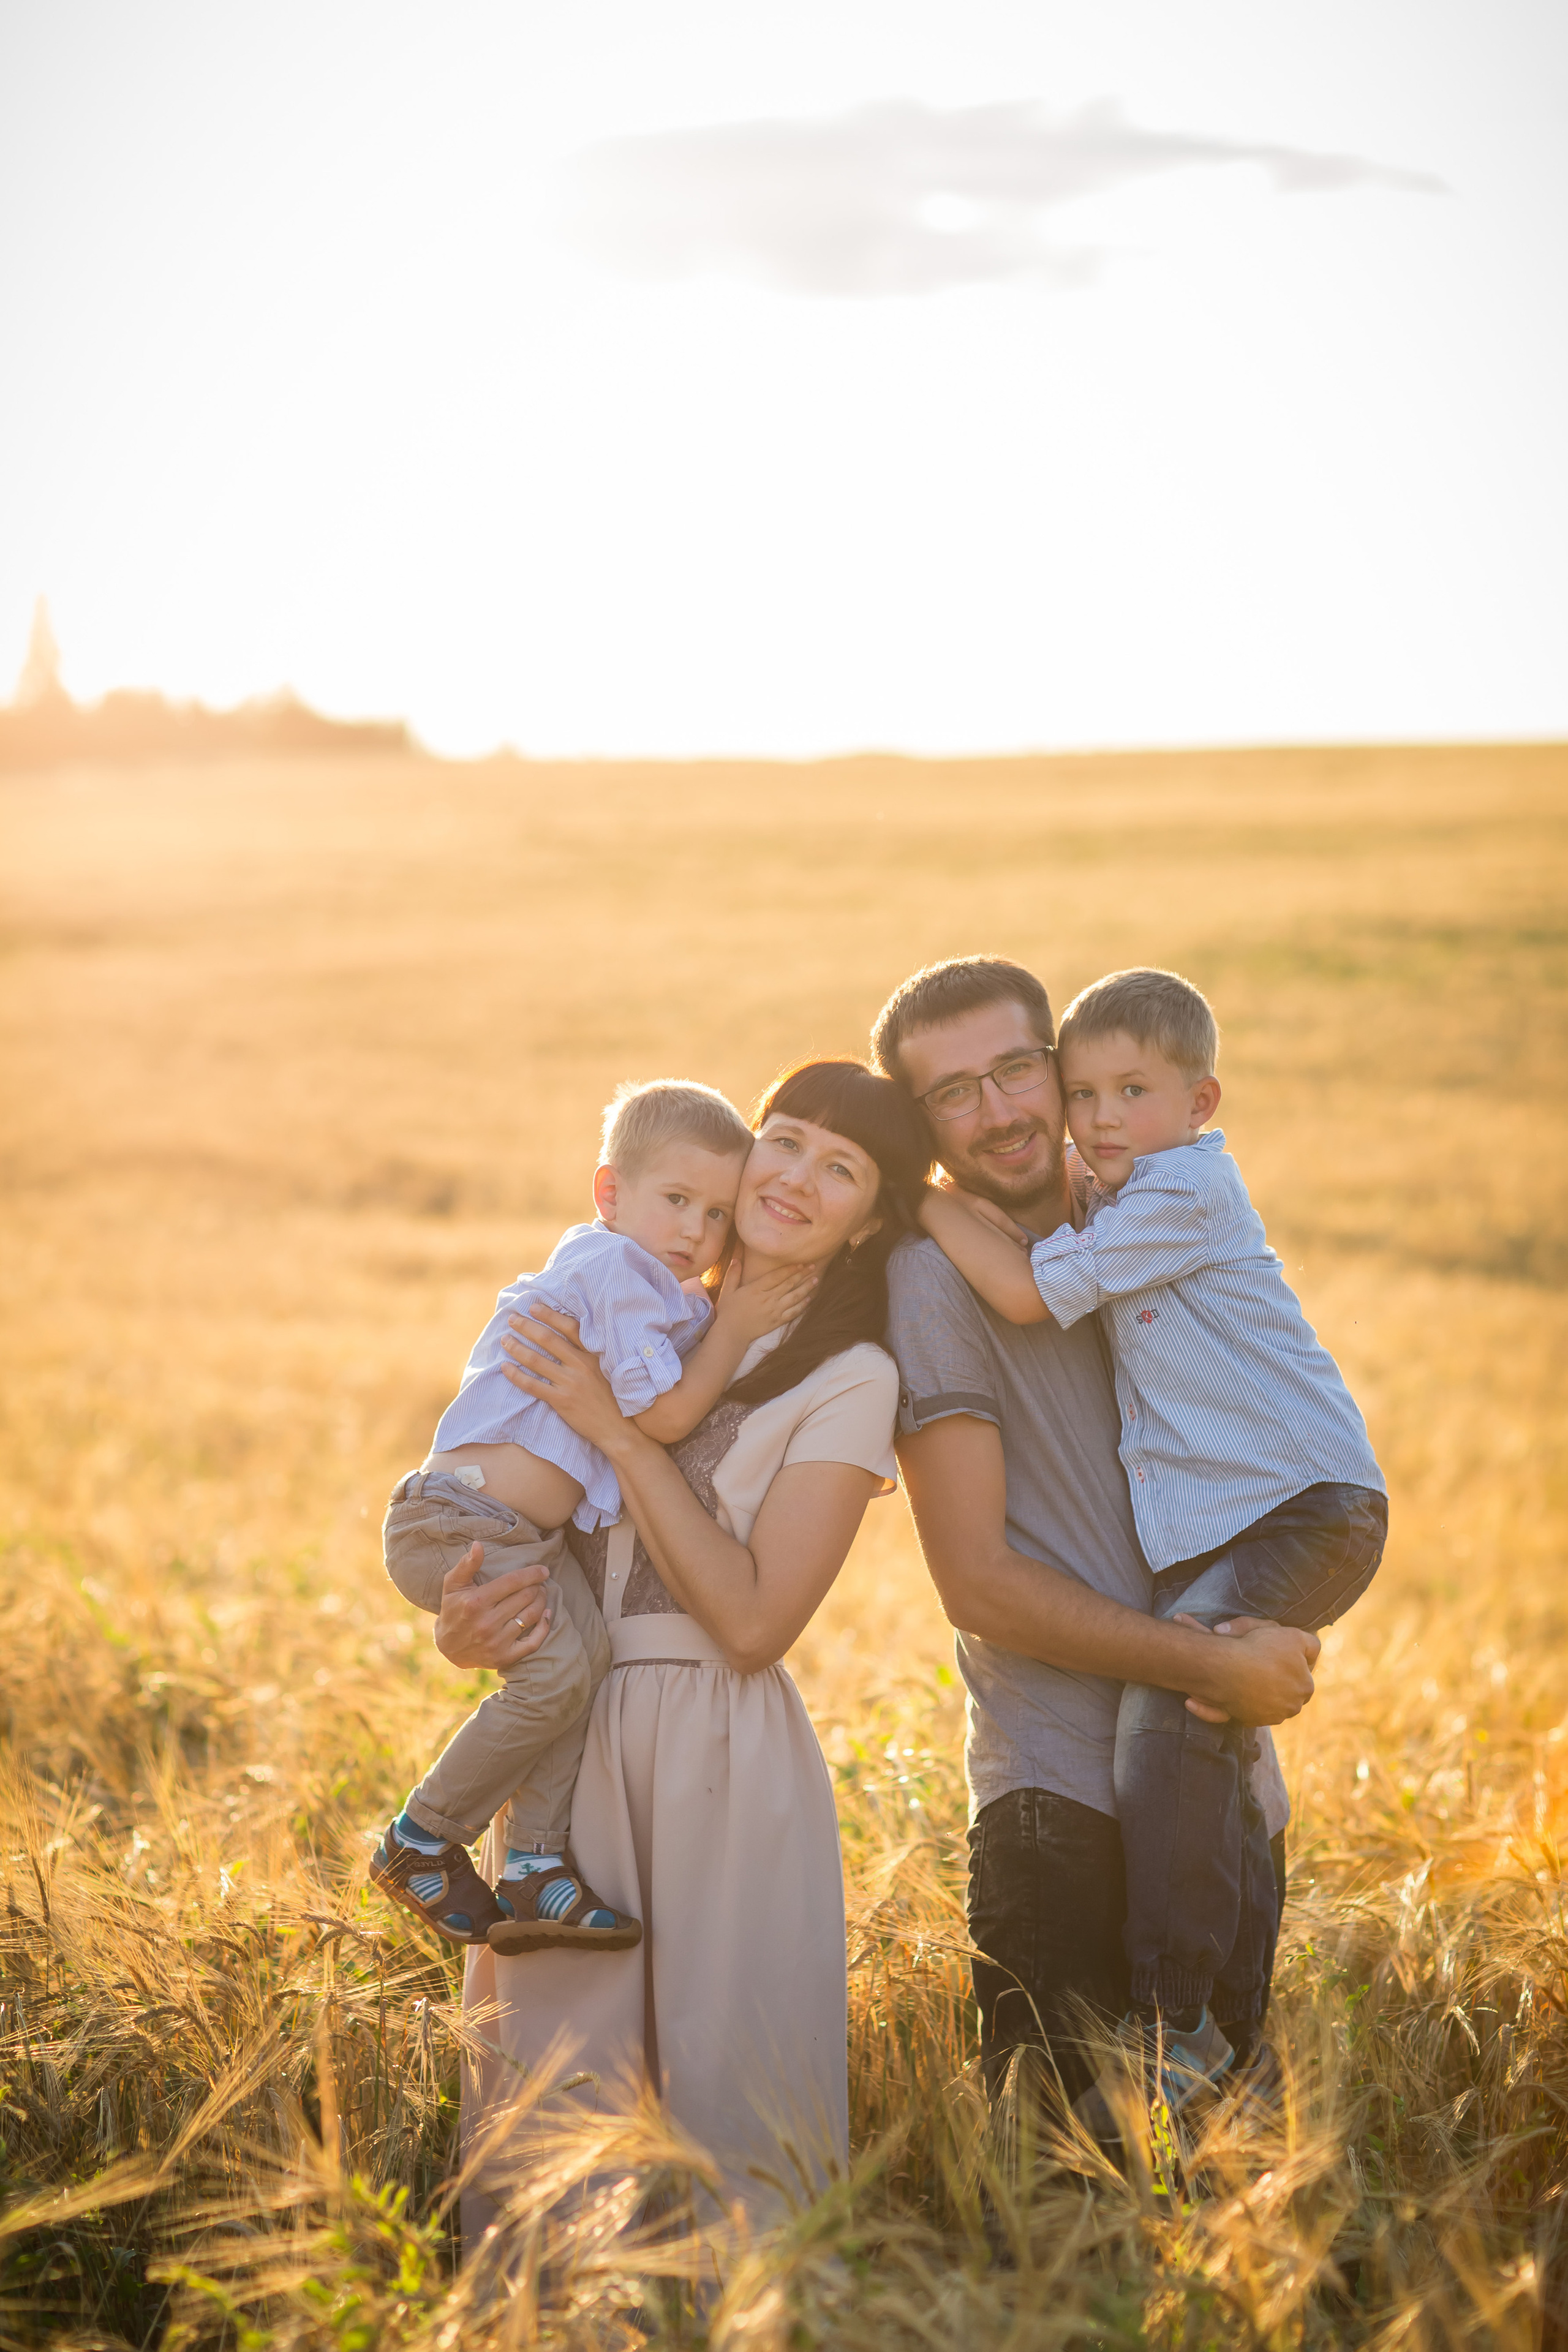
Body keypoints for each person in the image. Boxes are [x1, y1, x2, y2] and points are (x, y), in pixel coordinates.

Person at [447, 1059, 932, 2231]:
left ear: (871, 1220)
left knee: (732, 2130)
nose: (800, 1178)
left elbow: (758, 1622)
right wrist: (467, 1626)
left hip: (716, 1750)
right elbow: (508, 1500)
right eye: (788, 1140)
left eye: (844, 1168)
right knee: (547, 2128)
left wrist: (618, 1434)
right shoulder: (634, 1304)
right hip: (565, 1747)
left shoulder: (854, 1380)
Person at [916, 966, 1385, 2121]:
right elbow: (978, 1580)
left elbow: (1045, 1293)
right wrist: (1217, 1664)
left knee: (1217, 2185)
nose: (1011, 1110)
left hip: (1225, 1781)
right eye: (952, 1094)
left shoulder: (1141, 1202)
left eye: (1020, 1071)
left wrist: (1230, 1667)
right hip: (1062, 1800)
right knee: (1069, 2209)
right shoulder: (935, 1277)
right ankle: (1173, 2023)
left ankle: (1178, 2027)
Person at [368, 1079, 813, 1956]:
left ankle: (535, 1863)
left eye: (719, 1214)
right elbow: (660, 1419)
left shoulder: (655, 1291)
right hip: (463, 1522)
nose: (696, 1230)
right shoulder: (617, 1274)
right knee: (557, 1676)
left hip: (517, 1534)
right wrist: (738, 1324)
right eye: (676, 1201)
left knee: (586, 1666)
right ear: (611, 1194)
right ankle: (422, 1836)